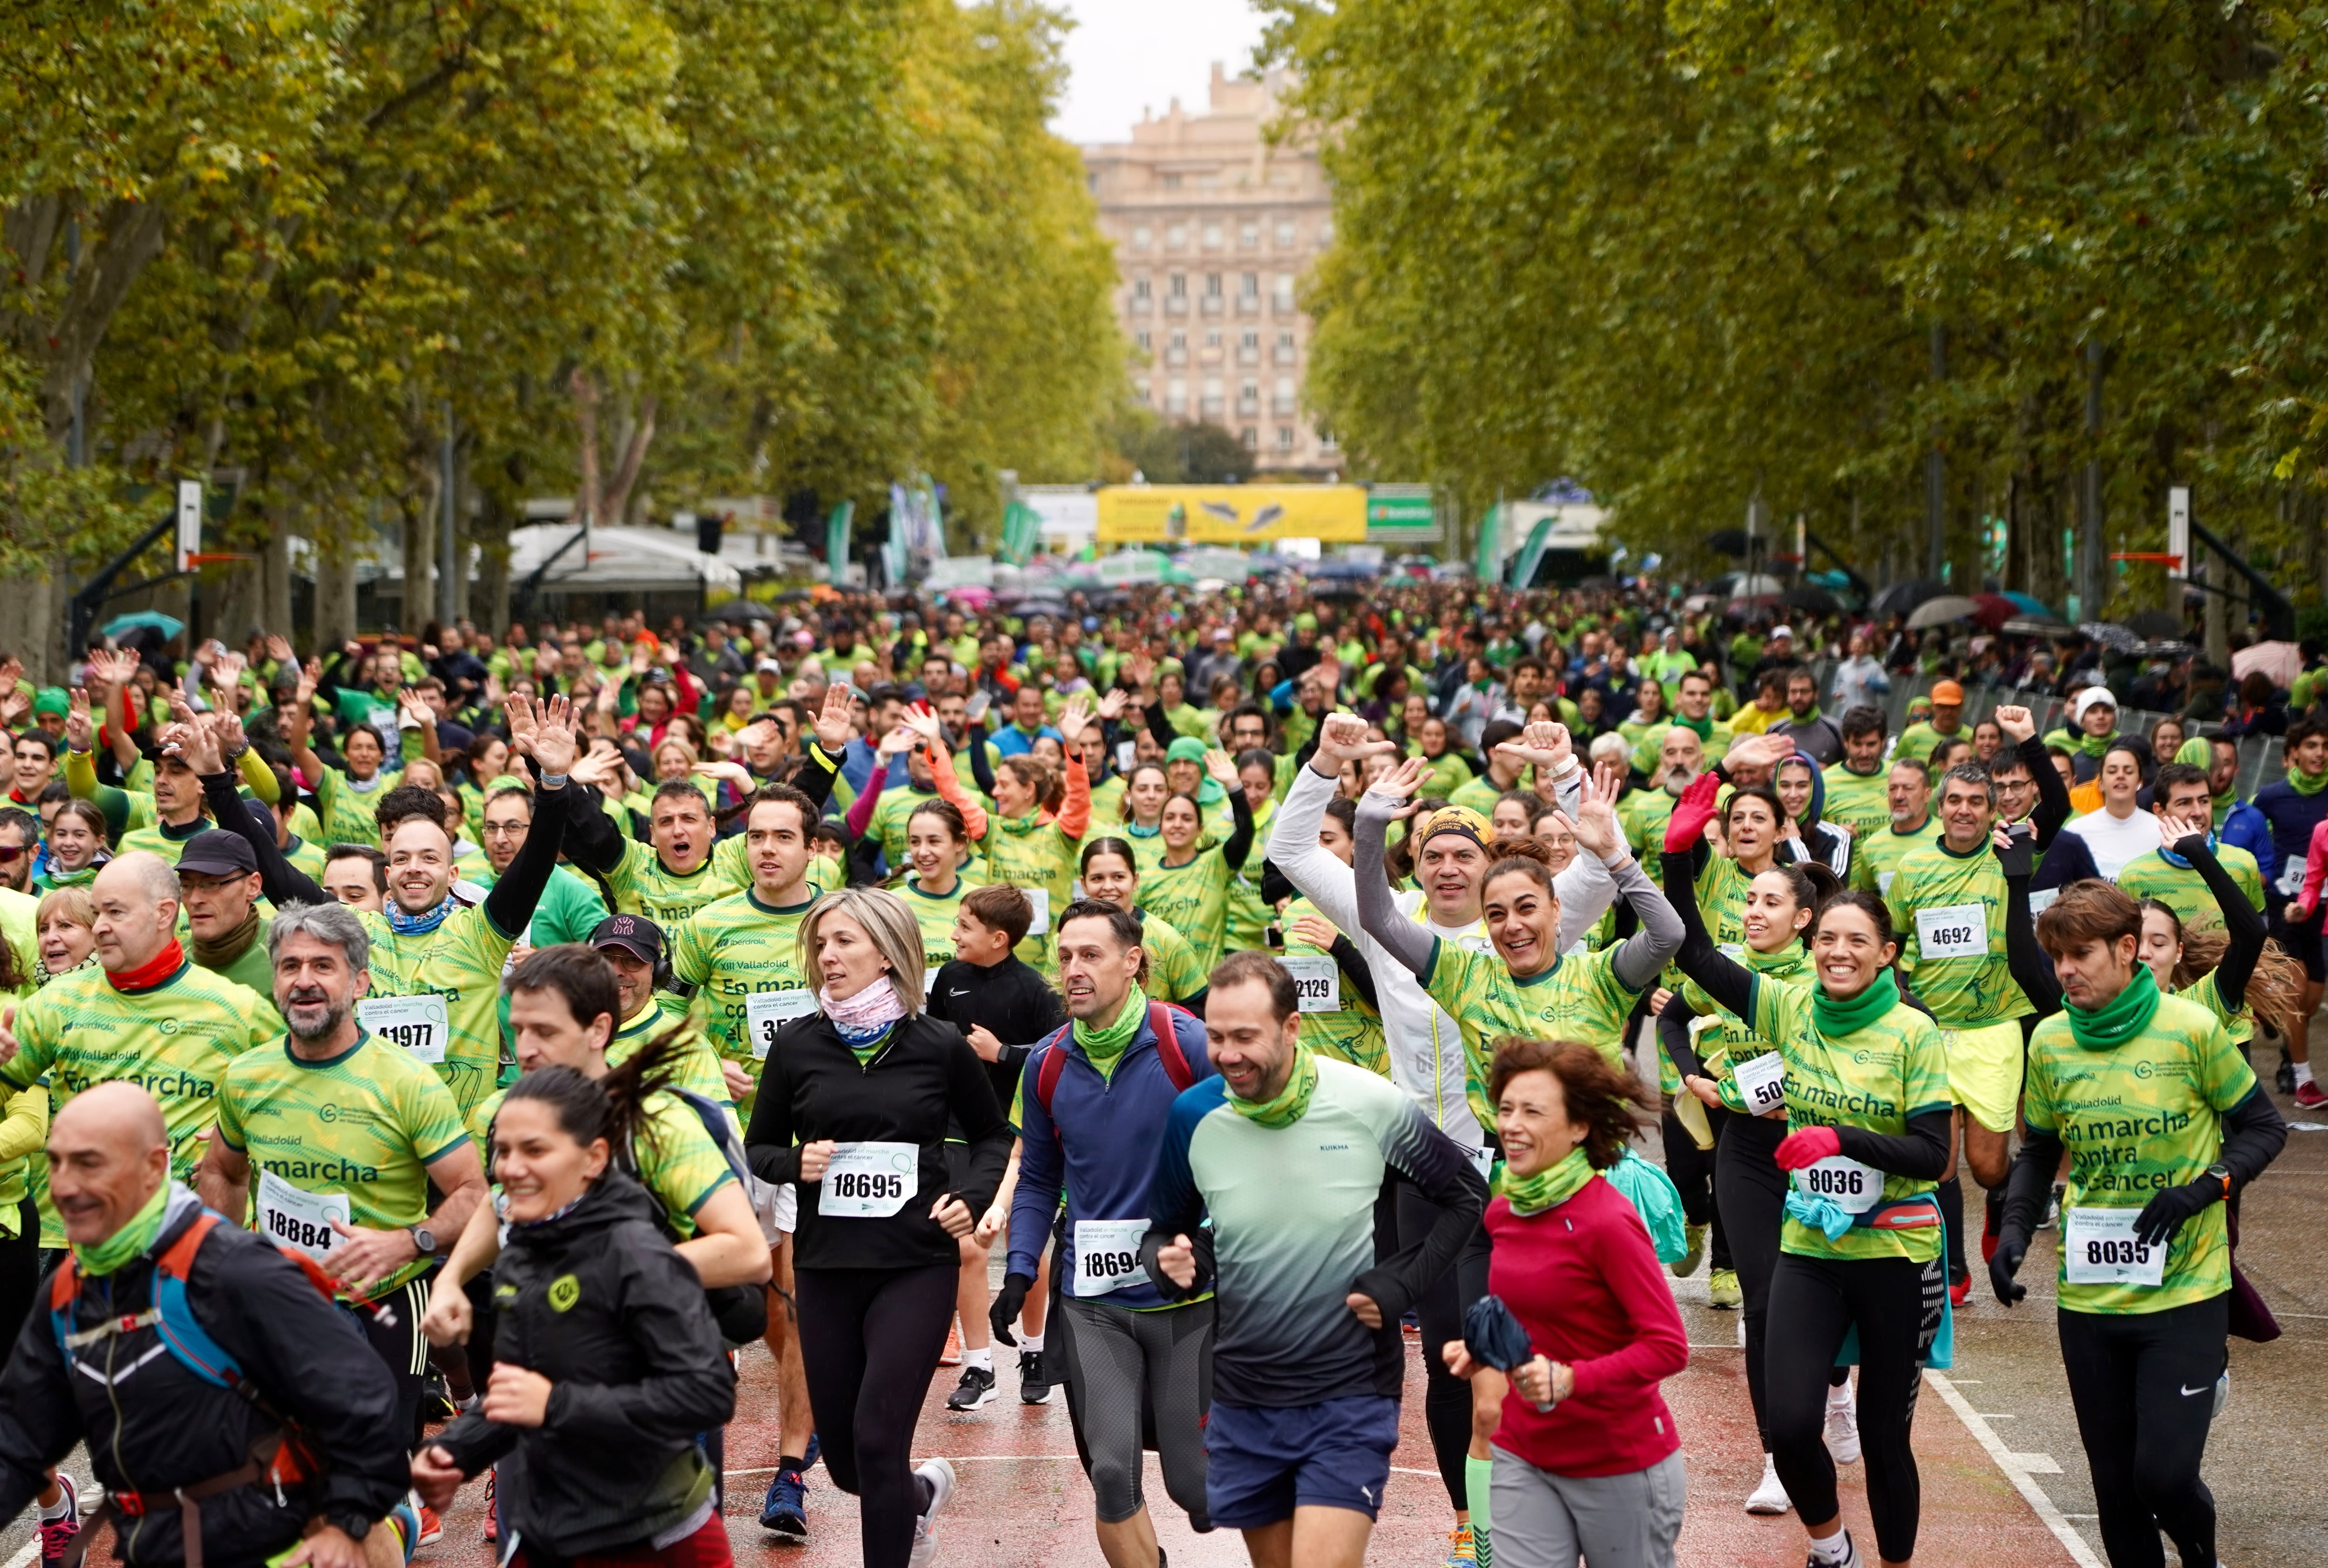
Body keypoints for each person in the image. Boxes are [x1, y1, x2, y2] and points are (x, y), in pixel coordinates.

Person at [1270, 715, 1615, 1564]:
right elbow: (1289, 847)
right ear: (1413, 866)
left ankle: (1560, 1493)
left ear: (1493, 862)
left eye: (1465, 853)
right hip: (1423, 1167)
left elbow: (1606, 868)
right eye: (1435, 855)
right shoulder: (1390, 922)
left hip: (1523, 1166)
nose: (1451, 868)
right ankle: (1474, 1520)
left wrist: (1570, 777)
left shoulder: (1529, 920)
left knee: (1536, 1336)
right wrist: (1331, 770)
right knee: (1457, 1350)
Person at [1659, 773, 1953, 1568]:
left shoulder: (1913, 1032)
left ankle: (1891, 1559)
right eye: (1829, 939)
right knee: (1790, 1425)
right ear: (1811, 943)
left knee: (1889, 1440)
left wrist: (1839, 1138)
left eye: (1859, 941)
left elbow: (1935, 1155)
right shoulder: (1786, 1007)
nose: (1840, 951)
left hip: (1895, 1256)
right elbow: (1689, 950)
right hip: (1811, 1251)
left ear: (1886, 953)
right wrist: (1677, 854)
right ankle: (1832, 1548)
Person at [1143, 952, 1487, 1568]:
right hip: (1245, 1393)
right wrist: (1172, 1262)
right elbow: (1166, 1232)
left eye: (1246, 1036)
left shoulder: (1367, 1100)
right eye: (1217, 1037)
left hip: (1350, 1387)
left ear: (1291, 1028)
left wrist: (1398, 1284)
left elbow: (1466, 1197)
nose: (1228, 1054)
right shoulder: (1193, 1114)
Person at [1990, 878, 2286, 1568]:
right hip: (2091, 1295)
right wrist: (2013, 1230)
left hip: (2185, 1289)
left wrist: (2203, 1189)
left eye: (2081, 955)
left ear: (2127, 950)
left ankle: (2201, 1556)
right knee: (2116, 1491)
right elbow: (2037, 1150)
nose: (2065, 970)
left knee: (2164, 1476)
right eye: (2057, 956)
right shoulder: (2054, 1041)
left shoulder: (2191, 1030)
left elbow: (2262, 1128)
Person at [0, 1082, 411, 1568]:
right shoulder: (68, 1293)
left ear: (155, 1165)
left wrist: (351, 1523)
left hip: (280, 1547)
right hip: (157, 1549)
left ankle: (396, 1523)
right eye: (56, 1162)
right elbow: (20, 1442)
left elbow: (365, 1399)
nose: (65, 1185)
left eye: (90, 1163)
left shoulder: (235, 1269)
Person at [743, 886, 1012, 1568]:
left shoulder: (938, 1044)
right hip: (828, 1267)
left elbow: (991, 1137)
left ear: (887, 954)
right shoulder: (797, 1045)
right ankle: (916, 1497)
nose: (827, 955)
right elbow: (760, 1148)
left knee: (877, 1436)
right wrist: (795, 1161)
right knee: (847, 1466)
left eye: (844, 942)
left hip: (915, 1265)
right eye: (821, 943)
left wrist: (972, 1198)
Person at [410, 1068, 739, 1566]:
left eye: (535, 1150)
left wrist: (557, 1404)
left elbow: (707, 1393)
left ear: (594, 1159)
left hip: (654, 1539)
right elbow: (519, 1390)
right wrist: (455, 1452)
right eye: (502, 1150)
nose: (510, 1169)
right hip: (548, 1531)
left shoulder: (637, 1253)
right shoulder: (520, 1257)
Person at [1001, 902, 1217, 1568]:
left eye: (1090, 955)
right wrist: (1016, 1269)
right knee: (1113, 1475)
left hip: (1185, 1303)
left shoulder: (1191, 1046)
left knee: (1197, 1488)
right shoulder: (1046, 1063)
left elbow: (1245, 1157)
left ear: (1133, 961)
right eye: (1064, 956)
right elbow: (1038, 1177)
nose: (1073, 970)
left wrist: (1205, 1245)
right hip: (1093, 1304)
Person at [1443, 1039, 1688, 1568]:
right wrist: (1482, 1347)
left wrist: (1572, 1379)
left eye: (1532, 1111)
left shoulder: (1607, 1220)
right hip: (1523, 1450)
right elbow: (1528, 1309)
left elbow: (1668, 1347)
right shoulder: (1505, 1208)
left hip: (1617, 1460)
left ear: (1579, 1126)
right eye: (1505, 1108)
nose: (1511, 1124)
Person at [0, 853, 273, 1182]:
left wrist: (239, 1139)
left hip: (206, 1227)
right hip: (90, 1225)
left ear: (164, 913)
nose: (100, 926)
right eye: (96, 914)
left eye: (115, 912)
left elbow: (297, 1103)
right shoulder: (57, 1002)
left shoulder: (239, 1008)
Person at [924, 883, 1067, 1413]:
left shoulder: (1033, 989)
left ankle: (1033, 1353)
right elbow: (933, 1041)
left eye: (964, 926)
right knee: (966, 1243)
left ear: (999, 938)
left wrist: (1001, 1053)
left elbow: (1060, 1051)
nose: (954, 933)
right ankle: (979, 1366)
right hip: (960, 1127)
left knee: (1024, 1242)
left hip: (1021, 1129)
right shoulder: (949, 978)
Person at [2249, 716, 2328, 1106]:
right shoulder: (2271, 796)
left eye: (2324, 747)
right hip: (2285, 903)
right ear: (2293, 753)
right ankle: (2303, 1080)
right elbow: (2250, 831)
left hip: (2320, 905)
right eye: (2312, 746)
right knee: (2297, 992)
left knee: (2311, 1000)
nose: (2320, 753)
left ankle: (2267, 1007)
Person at [1135, 748, 1257, 973]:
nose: (1178, 824)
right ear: (1160, 827)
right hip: (1161, 991)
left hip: (1209, 991)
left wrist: (1234, 786)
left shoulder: (1216, 865)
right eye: (1170, 818)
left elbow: (1246, 832)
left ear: (1200, 828)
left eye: (1187, 818)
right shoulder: (1144, 880)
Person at [2116, 763, 2267, 931]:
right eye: (2184, 803)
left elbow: (2259, 935)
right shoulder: (2135, 876)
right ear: (2160, 812)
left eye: (2204, 801)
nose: (2198, 812)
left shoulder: (2244, 864)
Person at [1076, 839, 1210, 1006]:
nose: (1108, 886)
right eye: (1097, 878)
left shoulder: (1167, 940)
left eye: (1119, 877)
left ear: (1135, 880)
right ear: (1084, 885)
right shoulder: (1068, 941)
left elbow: (1199, 1010)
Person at [2064, 740, 2164, 882]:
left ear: (2140, 782)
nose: (2120, 776)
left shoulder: (2161, 831)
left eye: (2129, 771)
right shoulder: (2077, 830)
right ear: (2100, 783)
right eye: (2112, 771)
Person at [1848, 757, 1934, 899]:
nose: (1899, 796)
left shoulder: (1947, 837)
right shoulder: (1872, 846)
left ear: (1927, 795)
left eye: (1908, 788)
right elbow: (1870, 901)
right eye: (1893, 789)